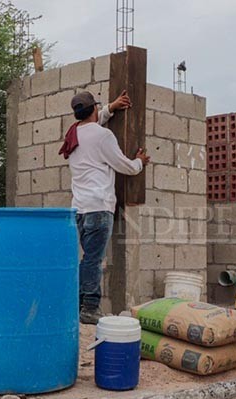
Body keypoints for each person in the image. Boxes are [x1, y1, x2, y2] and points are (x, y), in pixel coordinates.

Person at [59, 90, 150, 324]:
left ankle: (79, 305)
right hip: (99, 207)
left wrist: (111, 107)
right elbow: (124, 165)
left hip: (78, 209)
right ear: (92, 109)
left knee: (87, 258)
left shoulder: (73, 133)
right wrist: (140, 162)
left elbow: (93, 124)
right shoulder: (103, 136)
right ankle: (90, 308)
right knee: (92, 260)